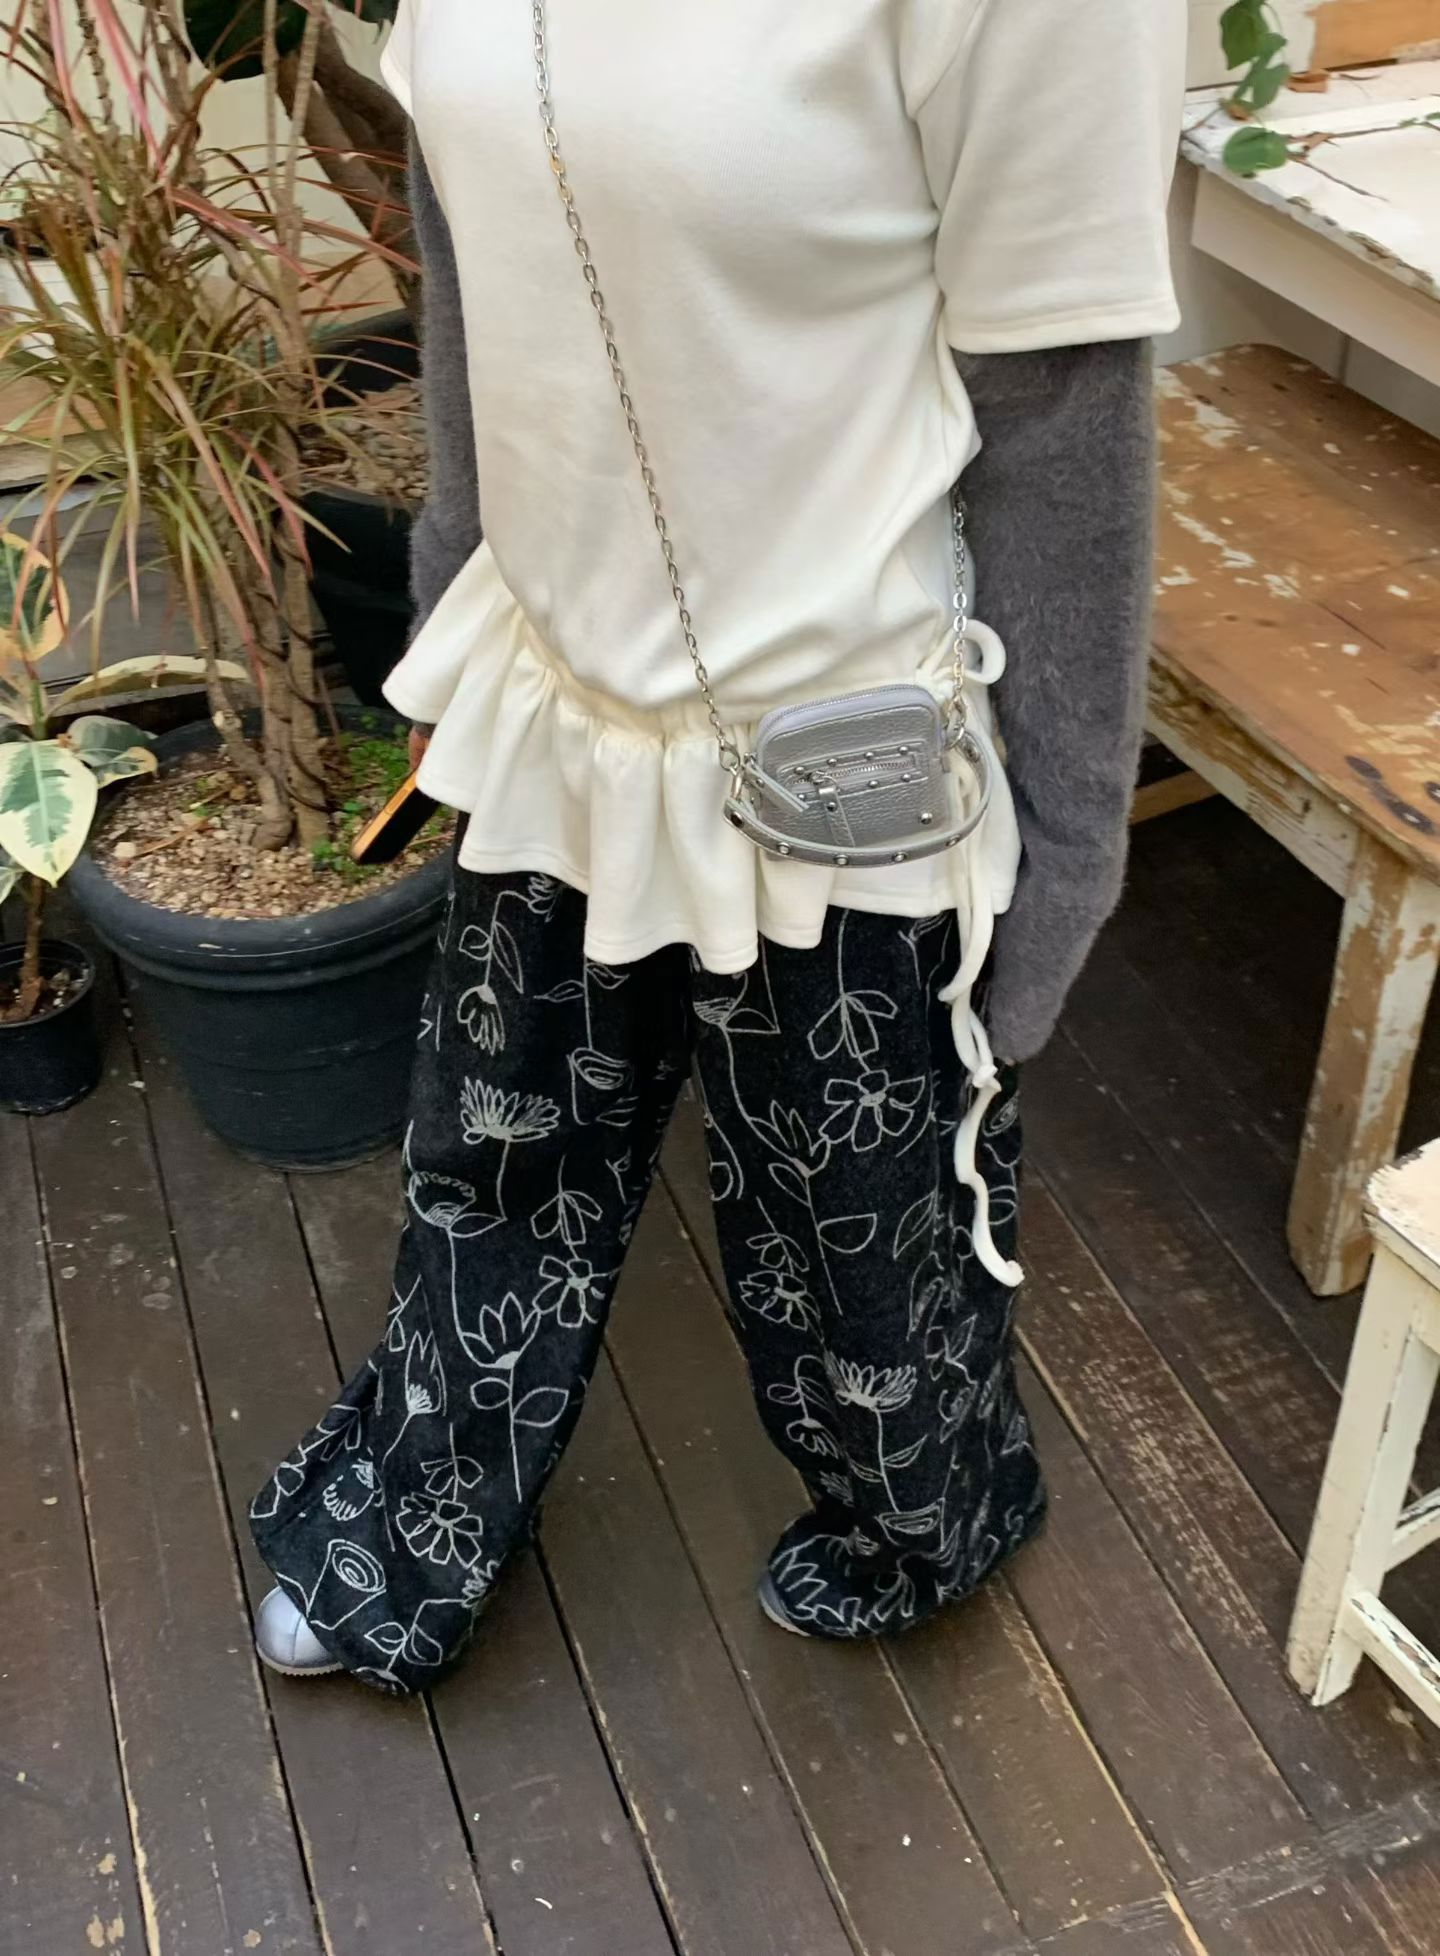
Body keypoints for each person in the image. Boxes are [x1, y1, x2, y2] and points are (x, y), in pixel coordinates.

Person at [250, 0, 1185, 1688]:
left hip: (845, 747)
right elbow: (468, 247)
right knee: (495, 1160)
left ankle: (924, 1518)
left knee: (864, 1242)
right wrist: (459, 590)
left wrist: (1064, 856)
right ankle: (412, 1517)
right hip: (555, 692)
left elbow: (1063, 403)